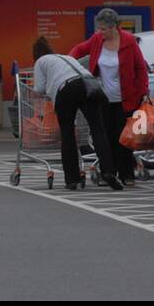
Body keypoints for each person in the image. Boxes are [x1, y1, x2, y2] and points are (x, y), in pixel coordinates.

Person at [30, 38, 122, 191]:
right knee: (98, 129)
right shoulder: (67, 57)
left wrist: (50, 89)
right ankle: (109, 171)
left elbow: (39, 88)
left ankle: (72, 179)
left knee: (67, 132)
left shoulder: (40, 62)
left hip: (65, 89)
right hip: (89, 85)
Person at [70, 8, 149, 185]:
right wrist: (69, 62)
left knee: (124, 138)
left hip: (126, 98)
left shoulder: (129, 41)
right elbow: (79, 49)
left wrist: (143, 91)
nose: (100, 32)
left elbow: (140, 68)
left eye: (104, 29)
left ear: (114, 27)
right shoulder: (97, 40)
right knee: (106, 137)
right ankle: (109, 173)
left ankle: (127, 175)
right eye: (99, 28)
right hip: (102, 97)